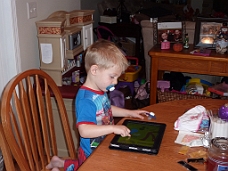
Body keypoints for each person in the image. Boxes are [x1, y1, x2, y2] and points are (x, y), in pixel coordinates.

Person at [46, 39, 148, 171]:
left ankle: (58, 163)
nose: (115, 82)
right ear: (95, 70)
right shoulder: (86, 100)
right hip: (91, 152)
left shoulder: (100, 90)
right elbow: (84, 130)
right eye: (112, 76)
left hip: (102, 145)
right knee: (83, 166)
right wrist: (113, 128)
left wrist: (129, 112)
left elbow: (106, 109)